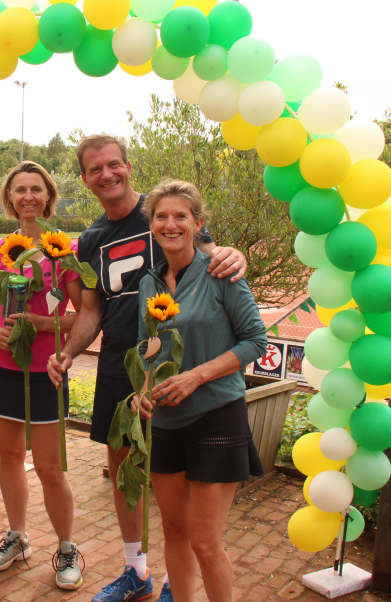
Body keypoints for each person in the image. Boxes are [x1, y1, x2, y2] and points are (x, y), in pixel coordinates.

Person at [46, 135, 247, 602]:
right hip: (121, 364)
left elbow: (215, 258)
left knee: (181, 477)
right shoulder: (91, 239)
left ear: (128, 166)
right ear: (84, 179)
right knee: (124, 468)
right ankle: (135, 569)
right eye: (95, 169)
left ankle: (180, 580)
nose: (107, 174)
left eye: (113, 164)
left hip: (179, 366)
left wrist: (238, 254)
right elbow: (91, 311)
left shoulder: (163, 213)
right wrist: (70, 351)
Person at [131, 181, 267, 602]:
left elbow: (255, 341)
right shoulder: (150, 282)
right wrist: (142, 390)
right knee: (174, 532)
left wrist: (196, 376)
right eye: (161, 216)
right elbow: (147, 349)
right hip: (164, 422)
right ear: (151, 225)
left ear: (198, 223)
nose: (170, 224)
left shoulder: (220, 272)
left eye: (180, 216)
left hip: (215, 416)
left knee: (205, 543)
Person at [0, 161, 84, 589]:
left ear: (48, 196)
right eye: (20, 190)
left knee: (50, 469)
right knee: (10, 458)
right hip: (3, 369)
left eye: (36, 189)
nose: (28, 197)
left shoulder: (63, 251)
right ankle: (17, 538)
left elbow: (81, 315)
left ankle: (67, 548)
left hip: (45, 372)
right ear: (10, 197)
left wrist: (41, 324)